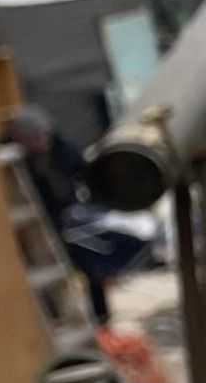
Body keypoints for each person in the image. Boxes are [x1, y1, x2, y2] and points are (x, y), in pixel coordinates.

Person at [9, 105, 147, 325]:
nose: (42, 143)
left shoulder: (62, 150)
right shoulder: (19, 160)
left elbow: (88, 176)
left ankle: (101, 315)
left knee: (91, 268)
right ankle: (56, 316)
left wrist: (92, 206)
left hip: (70, 217)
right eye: (35, 139)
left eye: (44, 137)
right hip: (46, 218)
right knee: (48, 270)